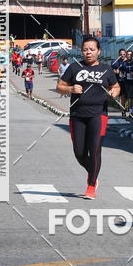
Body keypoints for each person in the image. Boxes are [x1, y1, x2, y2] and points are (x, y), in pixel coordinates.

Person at [56, 36, 120, 198]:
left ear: (99, 51)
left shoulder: (106, 69)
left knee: (95, 150)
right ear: (81, 51)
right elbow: (59, 86)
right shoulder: (74, 67)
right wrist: (70, 89)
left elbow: (116, 86)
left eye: (92, 49)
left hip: (99, 115)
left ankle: (91, 186)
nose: (88, 52)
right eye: (85, 49)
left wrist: (114, 93)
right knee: (79, 152)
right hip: (77, 115)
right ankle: (93, 173)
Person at [111, 48, 127, 117]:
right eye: (121, 54)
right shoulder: (115, 62)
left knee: (130, 98)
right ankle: (123, 110)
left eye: (124, 54)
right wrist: (115, 71)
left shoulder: (129, 61)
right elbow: (110, 70)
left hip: (129, 82)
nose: (122, 56)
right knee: (122, 97)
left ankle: (131, 111)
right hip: (120, 81)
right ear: (119, 55)